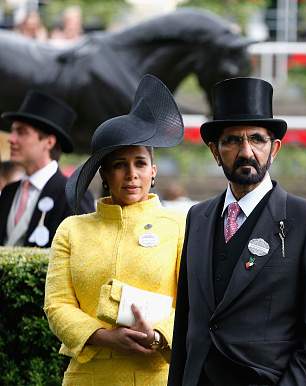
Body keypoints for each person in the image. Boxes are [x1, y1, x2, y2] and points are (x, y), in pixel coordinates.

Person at [168, 77, 306, 385]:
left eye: (257, 140)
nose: (246, 151)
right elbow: (186, 322)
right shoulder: (198, 216)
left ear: (274, 148)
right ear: (214, 150)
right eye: (233, 140)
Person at [44, 74, 186, 385]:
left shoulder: (179, 226)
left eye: (140, 163)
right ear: (104, 173)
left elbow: (192, 302)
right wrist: (107, 338)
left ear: (153, 171)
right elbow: (57, 305)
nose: (132, 174)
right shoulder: (72, 229)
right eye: (120, 164)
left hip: (155, 376)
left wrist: (159, 336)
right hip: (86, 377)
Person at [0, 90, 94, 247]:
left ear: (49, 142)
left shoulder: (74, 196)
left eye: (21, 132)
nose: (11, 139)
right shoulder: (8, 191)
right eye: (13, 131)